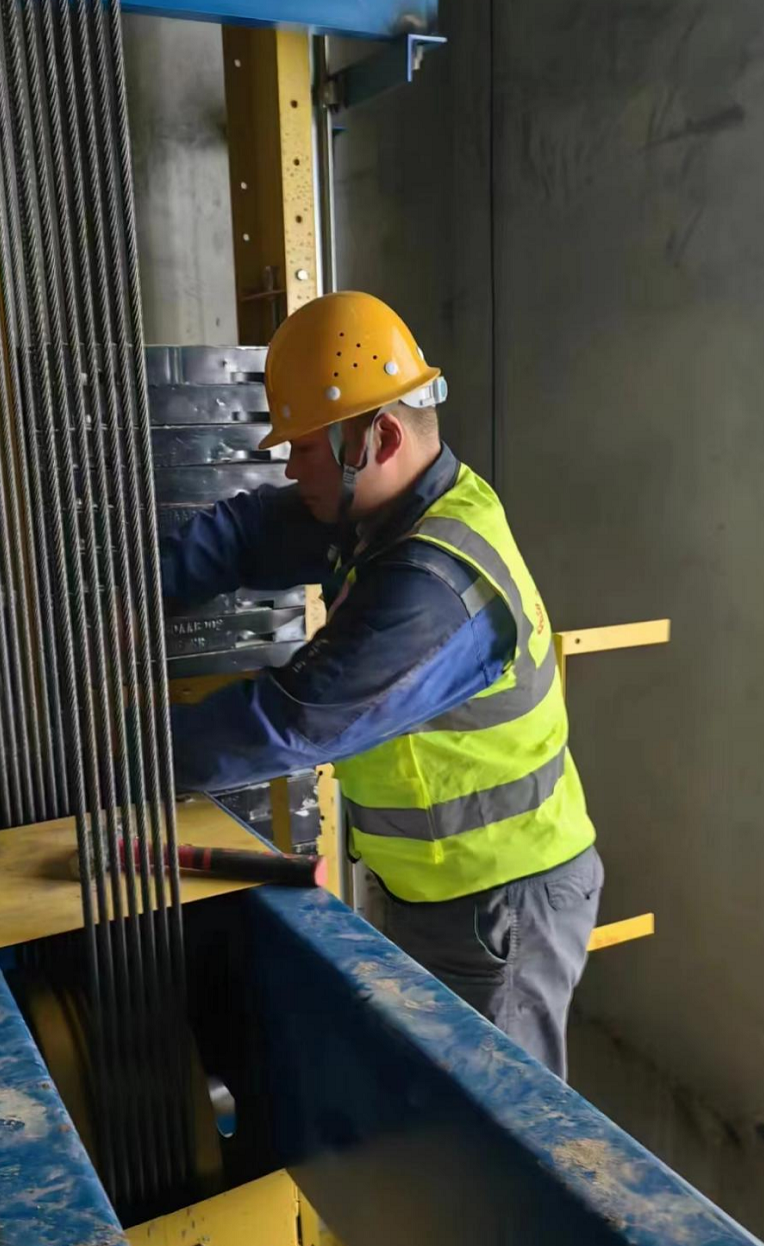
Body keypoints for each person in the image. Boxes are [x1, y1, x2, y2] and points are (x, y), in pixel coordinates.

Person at [161, 290, 602, 1078]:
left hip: (502, 906)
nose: (289, 467)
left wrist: (113, 752)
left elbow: (290, 722)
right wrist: (131, 593)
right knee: (435, 1101)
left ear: (380, 438)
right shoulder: (382, 511)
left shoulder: (433, 585)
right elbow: (251, 531)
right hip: (440, 891)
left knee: (493, 1126)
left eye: (304, 448)